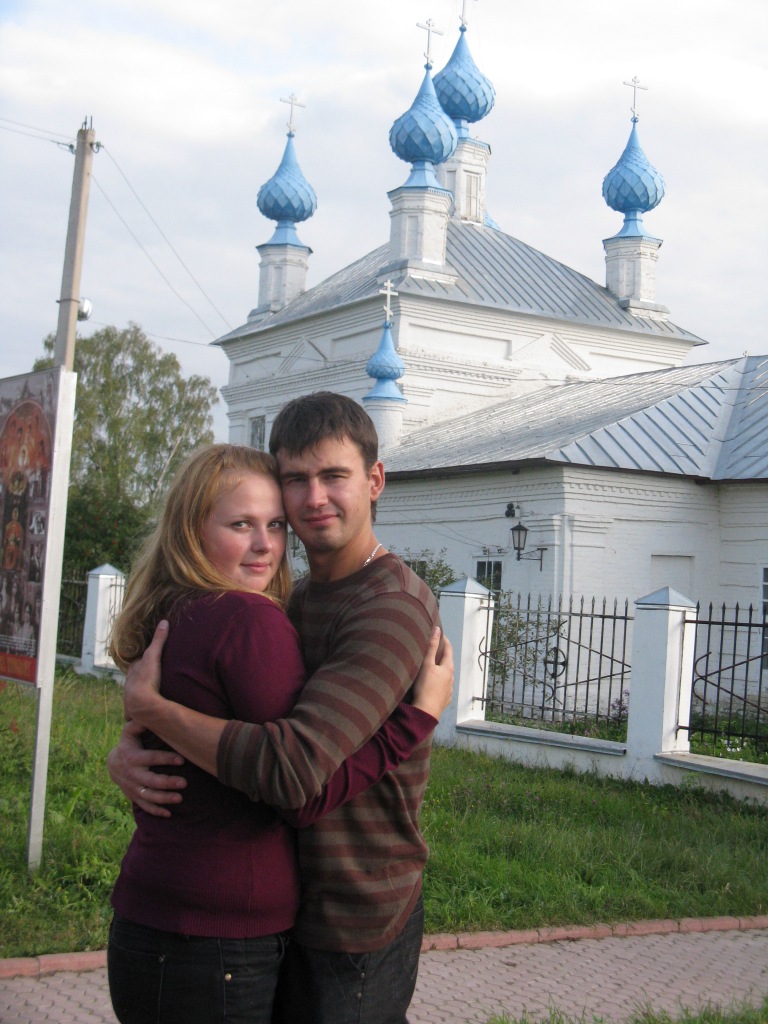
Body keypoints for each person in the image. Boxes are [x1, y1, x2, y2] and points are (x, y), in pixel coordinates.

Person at [109, 392, 450, 1024]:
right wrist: (131, 747)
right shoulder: (285, 599)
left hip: (352, 912)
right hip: (277, 906)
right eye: (296, 479)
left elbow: (291, 771)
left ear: (375, 481)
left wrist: (153, 713)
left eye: (334, 476)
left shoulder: (389, 606)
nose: (314, 498)